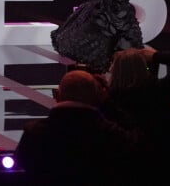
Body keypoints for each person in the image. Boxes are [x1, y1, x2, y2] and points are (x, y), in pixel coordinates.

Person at [15, 69, 144, 186]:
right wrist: (109, 102)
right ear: (97, 97)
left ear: (57, 95)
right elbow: (135, 147)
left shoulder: (34, 133)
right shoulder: (110, 135)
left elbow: (22, 164)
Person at [104, 47, 170, 185]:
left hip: (123, 170)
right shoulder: (157, 93)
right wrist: (157, 56)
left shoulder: (106, 101)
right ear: (143, 68)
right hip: (163, 167)